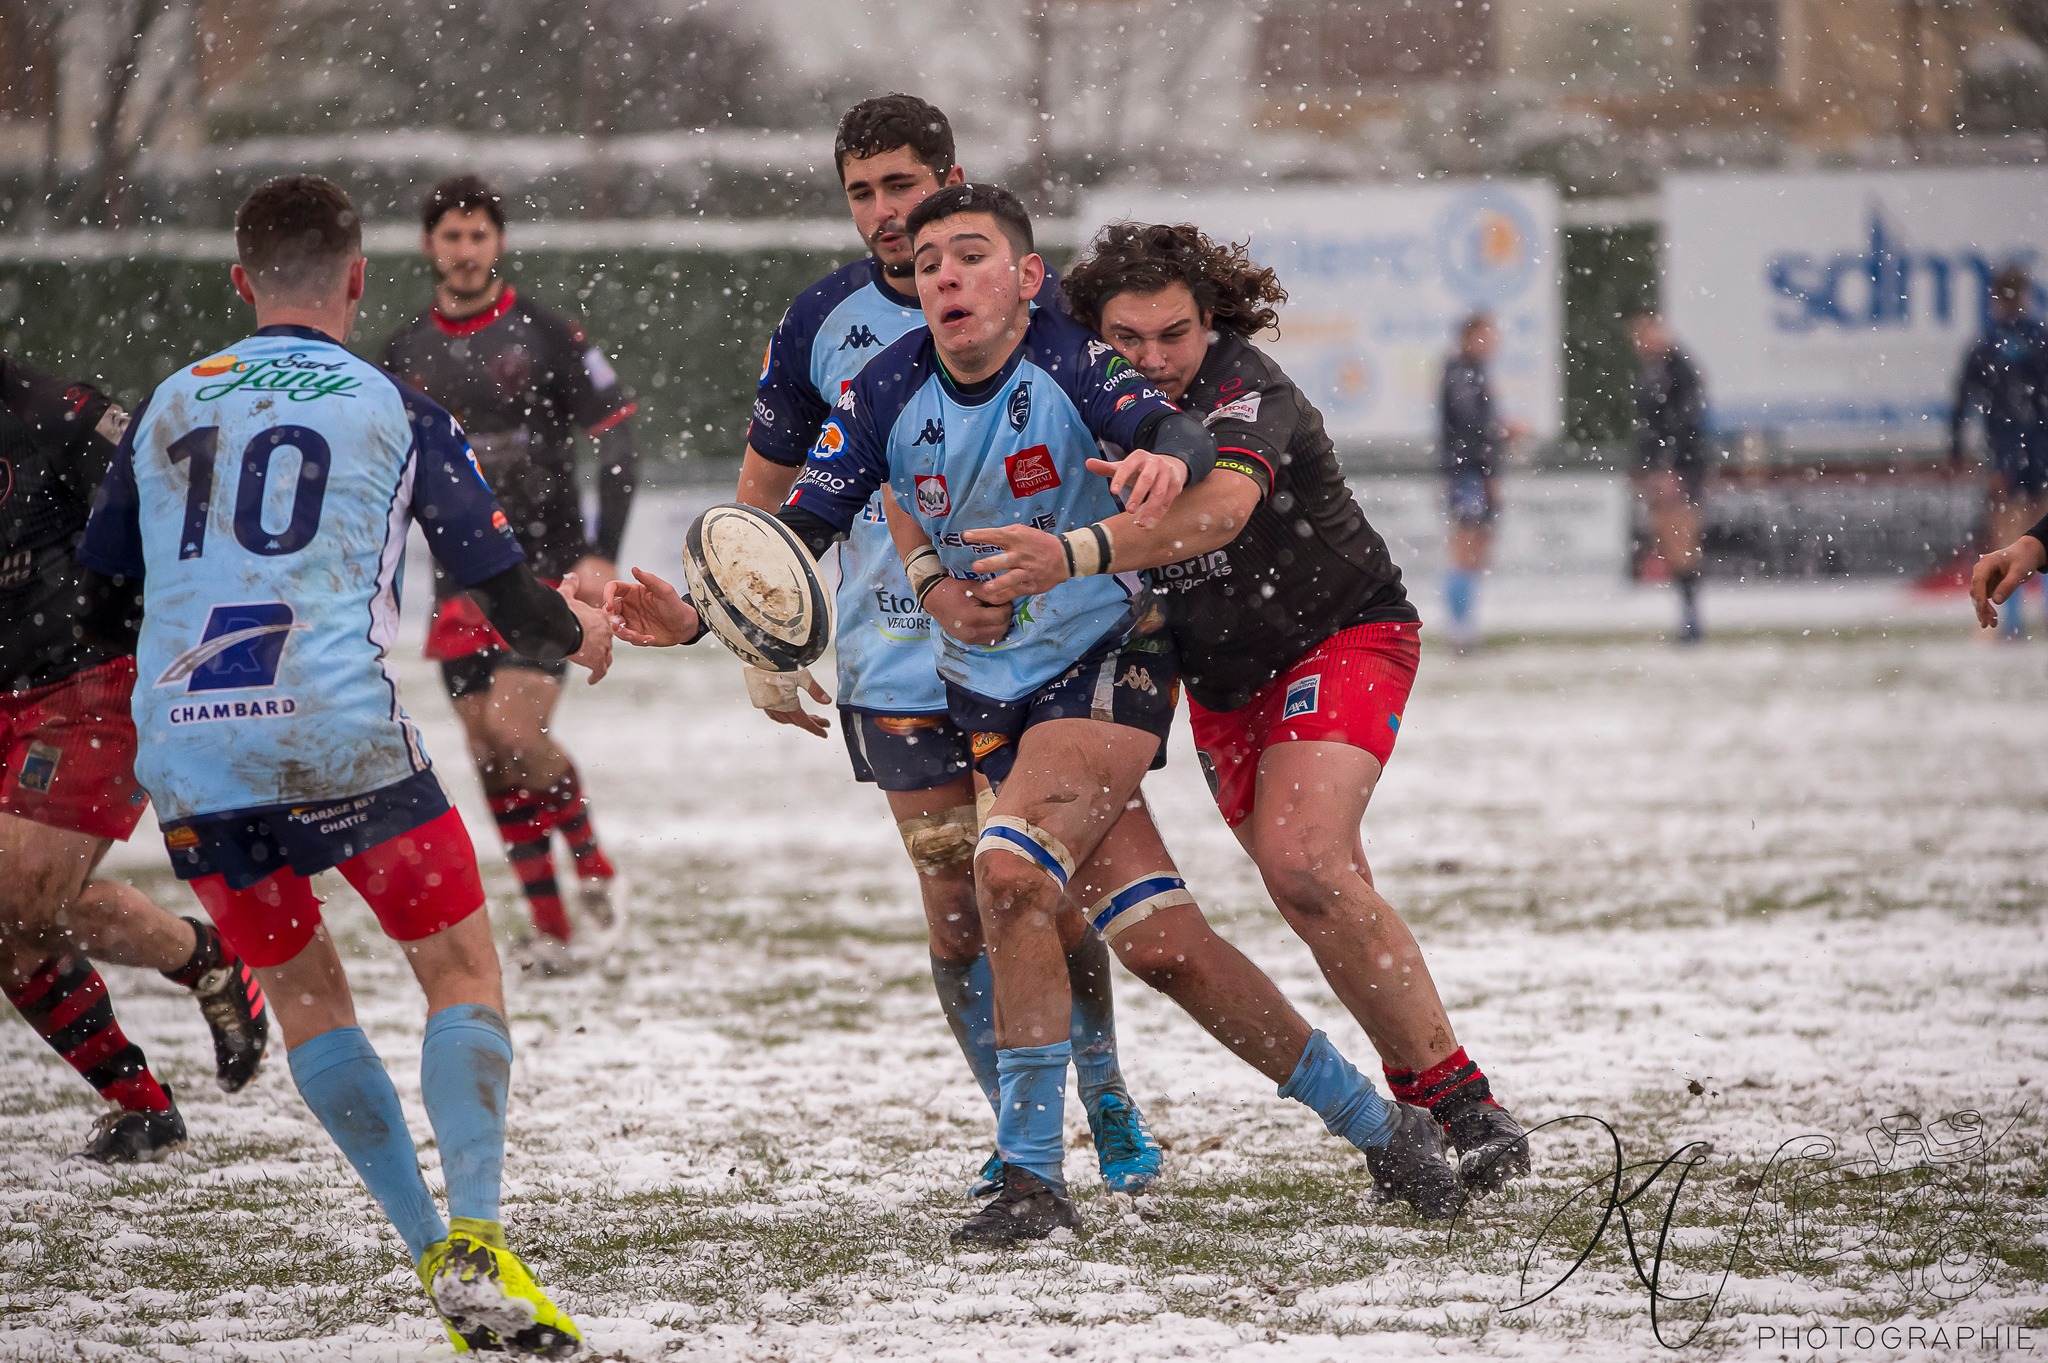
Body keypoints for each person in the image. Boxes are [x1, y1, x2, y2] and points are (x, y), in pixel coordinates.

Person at [615, 183, 1469, 1245]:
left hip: (1105, 662)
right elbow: (802, 528)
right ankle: (1384, 1133)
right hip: (988, 692)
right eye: (928, 264)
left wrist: (1163, 457)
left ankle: (1029, 1181)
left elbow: (1163, 425)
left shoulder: (1070, 357)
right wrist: (699, 618)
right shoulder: (881, 388)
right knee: (1162, 946)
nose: (943, 276)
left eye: (968, 256)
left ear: (1025, 279)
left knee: (1009, 871)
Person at [81, 175, 612, 1354]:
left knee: (311, 1001)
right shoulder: (395, 403)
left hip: (193, 749)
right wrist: (584, 629)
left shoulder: (173, 398)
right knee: (462, 972)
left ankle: (429, 1250)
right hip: (334, 733)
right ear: (360, 276)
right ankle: (472, 1232)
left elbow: (106, 576)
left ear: (240, 282)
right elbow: (501, 584)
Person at [974, 220, 1529, 1192]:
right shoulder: (1078, 393)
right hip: (1221, 688)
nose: (1152, 360)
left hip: (1340, 633)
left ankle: (1459, 1099)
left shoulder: (1244, 389)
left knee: (1303, 858)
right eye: (1127, 338)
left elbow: (1216, 514)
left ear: (1212, 323)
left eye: (1174, 334)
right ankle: (1425, 1087)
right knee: (1306, 880)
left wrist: (1070, 554)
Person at [730, 93, 1159, 1196]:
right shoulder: (819, 320)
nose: (883, 214)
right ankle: (1023, 1128)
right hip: (891, 659)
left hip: (1037, 656)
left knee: (1044, 891)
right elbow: (769, 486)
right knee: (958, 914)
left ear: (950, 179)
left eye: (901, 187)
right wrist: (761, 636)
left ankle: (1102, 1092)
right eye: (862, 194)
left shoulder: (1033, 298)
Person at [2, 353, 269, 1162]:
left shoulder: (58, 408)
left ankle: (206, 969)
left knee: (20, 897)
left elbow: (183, 508)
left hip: (81, 685)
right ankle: (144, 1097)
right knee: (21, 917)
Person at [382, 175, 637, 972]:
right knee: (489, 752)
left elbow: (620, 437)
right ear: (430, 245)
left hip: (548, 573)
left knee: (520, 733)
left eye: (478, 235)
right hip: (461, 581)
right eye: (451, 237)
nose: (465, 251)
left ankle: (595, 870)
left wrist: (601, 548)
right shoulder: (402, 353)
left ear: (499, 242)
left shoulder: (548, 333)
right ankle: (552, 928)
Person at [1952, 265, 2048, 639]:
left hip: (2007, 450)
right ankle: (2027, 616)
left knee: (2009, 535)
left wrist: (1957, 447)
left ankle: (2010, 622)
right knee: (2039, 529)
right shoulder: (2037, 341)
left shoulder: (1987, 345)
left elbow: (1964, 401)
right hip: (2039, 446)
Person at [1628, 314, 1711, 643]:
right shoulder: (1654, 371)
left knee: (1682, 540)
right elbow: (1650, 427)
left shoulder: (1679, 372)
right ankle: (1688, 617)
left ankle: (1691, 620)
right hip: (1665, 470)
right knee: (1671, 540)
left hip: (1678, 470)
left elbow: (1683, 425)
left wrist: (1669, 466)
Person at [1438, 313, 1516, 650]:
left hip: (1471, 472)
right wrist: (1502, 433)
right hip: (1467, 473)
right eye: (1487, 335)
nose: (1493, 342)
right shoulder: (1461, 374)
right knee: (1467, 546)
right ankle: (1460, 631)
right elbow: (1471, 426)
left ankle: (1464, 628)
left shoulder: (1470, 373)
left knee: (1475, 546)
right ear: (1470, 337)